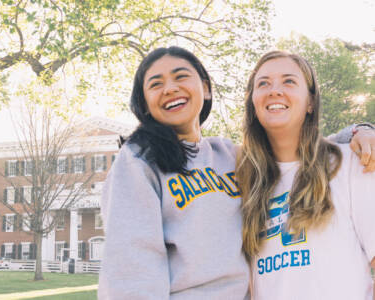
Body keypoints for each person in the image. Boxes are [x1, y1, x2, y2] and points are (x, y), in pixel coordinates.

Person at [99, 46, 375, 299]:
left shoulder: (229, 156)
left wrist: (359, 132)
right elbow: (130, 268)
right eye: (155, 84)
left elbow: (298, 151)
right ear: (144, 103)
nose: (170, 88)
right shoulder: (138, 162)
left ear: (205, 89)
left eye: (180, 76)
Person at [236, 51, 375, 300]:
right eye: (263, 83)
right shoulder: (242, 180)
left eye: (289, 81)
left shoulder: (352, 164)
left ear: (310, 102)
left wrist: (363, 129)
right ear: (253, 103)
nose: (274, 90)